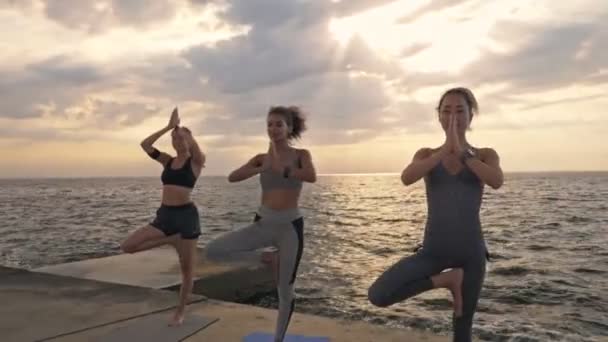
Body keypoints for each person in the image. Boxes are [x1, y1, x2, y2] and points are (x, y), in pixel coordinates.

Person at [367, 87, 504, 342]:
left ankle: (456, 280)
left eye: (460, 110)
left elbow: (496, 180)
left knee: (462, 329)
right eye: (446, 111)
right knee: (379, 294)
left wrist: (464, 155)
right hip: (433, 251)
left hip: (471, 254)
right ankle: (447, 280)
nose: (453, 117)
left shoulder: (485, 154)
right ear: (438, 117)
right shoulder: (426, 154)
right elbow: (407, 178)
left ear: (471, 116)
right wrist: (445, 151)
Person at [205, 106, 317, 342]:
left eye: (278, 124)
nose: (273, 129)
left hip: (290, 228)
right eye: (269, 124)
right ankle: (266, 260)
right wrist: (257, 168)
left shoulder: (301, 155)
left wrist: (282, 169)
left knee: (285, 290)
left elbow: (310, 176)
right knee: (213, 250)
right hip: (263, 223)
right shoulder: (261, 158)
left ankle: (278, 339)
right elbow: (233, 177)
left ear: (288, 128)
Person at [120, 107, 206, 326]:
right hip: (164, 216)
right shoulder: (167, 160)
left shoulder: (195, 162)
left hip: (186, 218)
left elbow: (194, 148)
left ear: (189, 140)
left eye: (180, 137)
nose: (176, 141)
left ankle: (180, 313)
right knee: (128, 246)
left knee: (187, 271)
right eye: (173, 138)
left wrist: (186, 134)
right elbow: (145, 145)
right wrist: (168, 127)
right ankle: (170, 239)